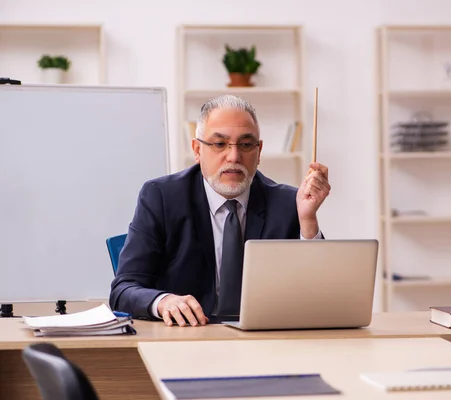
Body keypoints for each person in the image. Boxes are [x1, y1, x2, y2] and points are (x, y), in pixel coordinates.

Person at [109, 94, 330, 327]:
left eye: (245, 145)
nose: (234, 157)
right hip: (186, 342)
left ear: (259, 151)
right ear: (197, 149)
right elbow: (123, 290)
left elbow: (318, 297)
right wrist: (164, 301)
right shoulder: (162, 197)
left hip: (265, 343)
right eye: (219, 144)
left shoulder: (288, 202)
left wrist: (308, 221)